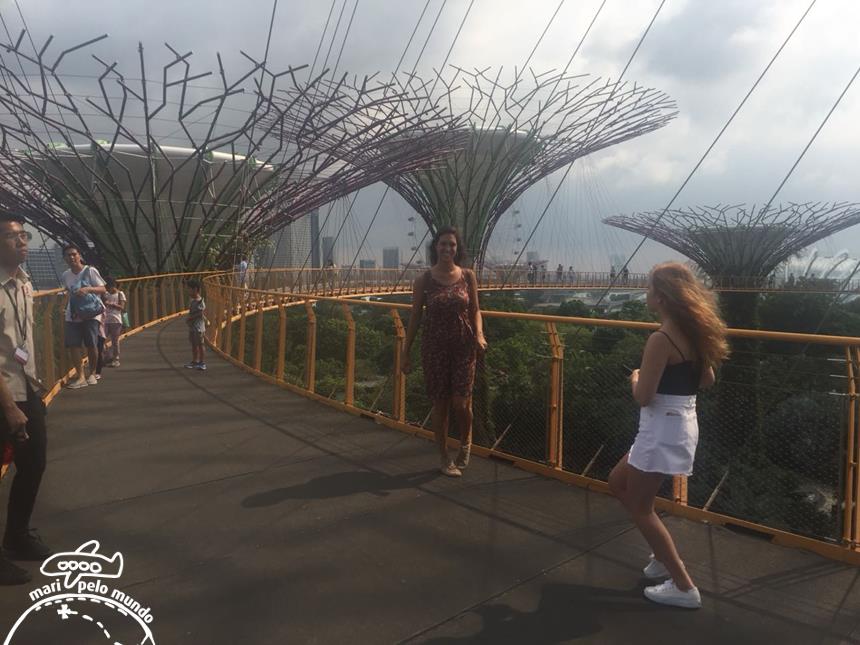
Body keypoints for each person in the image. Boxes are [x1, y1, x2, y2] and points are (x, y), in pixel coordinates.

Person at [608, 262, 728, 609]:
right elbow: (707, 380)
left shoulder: (661, 339)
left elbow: (643, 396)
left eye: (649, 289)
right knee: (617, 481)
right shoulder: (693, 333)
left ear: (661, 297)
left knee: (640, 507)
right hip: (679, 422)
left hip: (660, 427)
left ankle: (683, 585)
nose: (646, 294)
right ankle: (662, 558)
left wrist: (635, 377)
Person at [401, 227, 487, 477]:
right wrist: (405, 352)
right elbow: (415, 317)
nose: (447, 248)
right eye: (443, 244)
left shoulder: (468, 276)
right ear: (435, 247)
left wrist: (479, 334)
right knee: (440, 405)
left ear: (457, 249)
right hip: (435, 348)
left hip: (463, 346)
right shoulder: (424, 280)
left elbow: (475, 310)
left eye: (452, 244)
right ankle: (444, 457)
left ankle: (466, 442)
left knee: (461, 403)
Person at [0, 214, 51, 585]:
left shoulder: (24, 282)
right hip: (5, 395)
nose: (21, 241)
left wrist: (35, 386)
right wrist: (9, 407)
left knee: (34, 464)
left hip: (27, 389)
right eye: (11, 236)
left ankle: (17, 536)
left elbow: (23, 342)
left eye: (24, 235)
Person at [61, 244, 106, 389]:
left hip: (91, 313)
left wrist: (88, 289)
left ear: (79, 255)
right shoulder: (65, 275)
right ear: (64, 258)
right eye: (68, 255)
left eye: (74, 254)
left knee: (91, 344)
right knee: (73, 345)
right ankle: (80, 376)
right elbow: (68, 292)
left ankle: (92, 373)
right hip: (73, 314)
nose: (72, 257)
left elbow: (103, 288)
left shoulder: (90, 271)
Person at [102, 277, 126, 367]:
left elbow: (122, 307)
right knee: (101, 339)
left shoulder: (120, 294)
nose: (107, 289)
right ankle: (107, 356)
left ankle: (116, 359)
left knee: (115, 341)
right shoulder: (106, 294)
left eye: (108, 287)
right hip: (105, 319)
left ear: (113, 286)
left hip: (116, 320)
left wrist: (112, 304)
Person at [185, 279, 207, 371]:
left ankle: (202, 362)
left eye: (189, 289)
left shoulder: (199, 301)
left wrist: (190, 318)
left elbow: (201, 313)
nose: (188, 291)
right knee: (194, 344)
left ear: (195, 289)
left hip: (199, 328)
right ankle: (195, 361)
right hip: (193, 327)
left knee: (200, 344)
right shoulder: (193, 301)